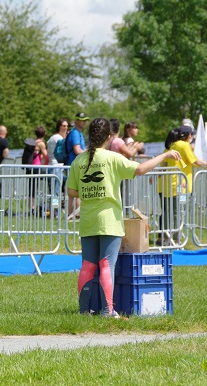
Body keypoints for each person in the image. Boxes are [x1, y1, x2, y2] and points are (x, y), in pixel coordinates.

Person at [67, 118, 180, 318]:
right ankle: (108, 311)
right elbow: (140, 169)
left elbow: (71, 191)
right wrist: (164, 155)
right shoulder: (112, 158)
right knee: (106, 264)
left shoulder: (79, 160)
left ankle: (83, 311)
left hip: (87, 220)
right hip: (109, 220)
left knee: (87, 265)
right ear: (109, 137)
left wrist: (89, 191)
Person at [156, 125, 207, 245]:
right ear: (188, 135)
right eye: (192, 135)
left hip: (169, 185)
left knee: (167, 212)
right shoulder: (184, 145)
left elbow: (168, 165)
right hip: (180, 186)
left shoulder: (173, 145)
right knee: (179, 212)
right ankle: (176, 239)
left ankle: (165, 238)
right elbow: (195, 161)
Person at [66, 112, 89, 217]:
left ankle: (72, 214)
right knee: (77, 190)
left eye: (85, 120)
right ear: (76, 121)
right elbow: (77, 150)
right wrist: (89, 153)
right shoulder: (75, 133)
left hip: (75, 165)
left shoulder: (78, 132)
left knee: (74, 191)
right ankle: (76, 214)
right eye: (81, 120)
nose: (84, 122)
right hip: (74, 165)